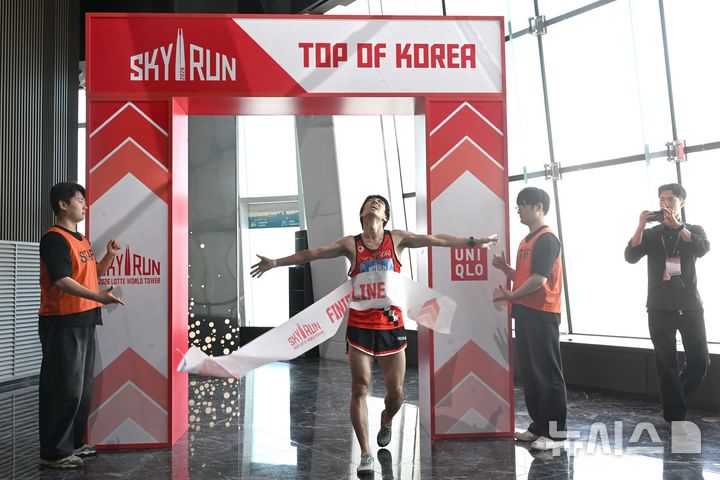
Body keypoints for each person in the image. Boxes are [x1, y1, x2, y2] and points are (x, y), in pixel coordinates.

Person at [251, 194, 497, 475]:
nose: (374, 204)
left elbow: (435, 240)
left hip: (391, 327)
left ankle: (387, 419)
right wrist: (274, 262)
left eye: (380, 204)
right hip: (360, 328)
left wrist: (473, 242)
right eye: (370, 203)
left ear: (385, 217)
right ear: (362, 214)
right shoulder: (351, 244)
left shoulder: (397, 239)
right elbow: (313, 254)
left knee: (396, 393)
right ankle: (366, 453)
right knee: (359, 388)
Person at [38, 182, 124, 469]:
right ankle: (53, 453)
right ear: (63, 205)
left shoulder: (81, 239)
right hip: (62, 321)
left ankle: (72, 444)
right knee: (62, 388)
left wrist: (109, 256)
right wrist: (99, 297)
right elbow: (61, 280)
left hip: (85, 318)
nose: (85, 206)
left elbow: (90, 274)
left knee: (81, 389)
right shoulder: (54, 239)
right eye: (79, 200)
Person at [624, 183, 710, 422]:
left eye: (671, 199)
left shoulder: (693, 229)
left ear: (682, 202)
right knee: (666, 363)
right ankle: (675, 417)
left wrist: (679, 227)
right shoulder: (652, 234)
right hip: (659, 306)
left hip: (690, 304)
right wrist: (640, 226)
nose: (665, 203)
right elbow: (630, 256)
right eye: (661, 199)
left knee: (700, 361)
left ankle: (674, 398)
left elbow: (703, 249)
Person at [492, 187, 567, 451]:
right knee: (531, 374)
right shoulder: (526, 241)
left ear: (538, 207)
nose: (519, 210)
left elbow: (539, 280)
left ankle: (556, 434)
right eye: (518, 206)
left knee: (548, 374)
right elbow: (526, 277)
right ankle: (538, 427)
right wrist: (506, 270)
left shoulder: (547, 239)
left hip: (543, 313)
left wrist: (510, 295)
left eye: (522, 205)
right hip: (525, 312)